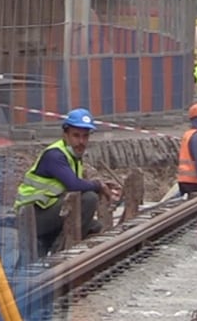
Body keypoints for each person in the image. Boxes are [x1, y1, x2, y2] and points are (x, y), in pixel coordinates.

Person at [14, 108, 121, 259]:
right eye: (76, 136)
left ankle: (58, 249)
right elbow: (74, 185)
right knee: (89, 198)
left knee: (94, 226)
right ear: (65, 134)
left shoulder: (72, 156)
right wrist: (98, 185)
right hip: (31, 216)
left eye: (85, 136)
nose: (81, 142)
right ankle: (61, 253)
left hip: (45, 211)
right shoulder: (55, 155)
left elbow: (73, 185)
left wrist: (98, 184)